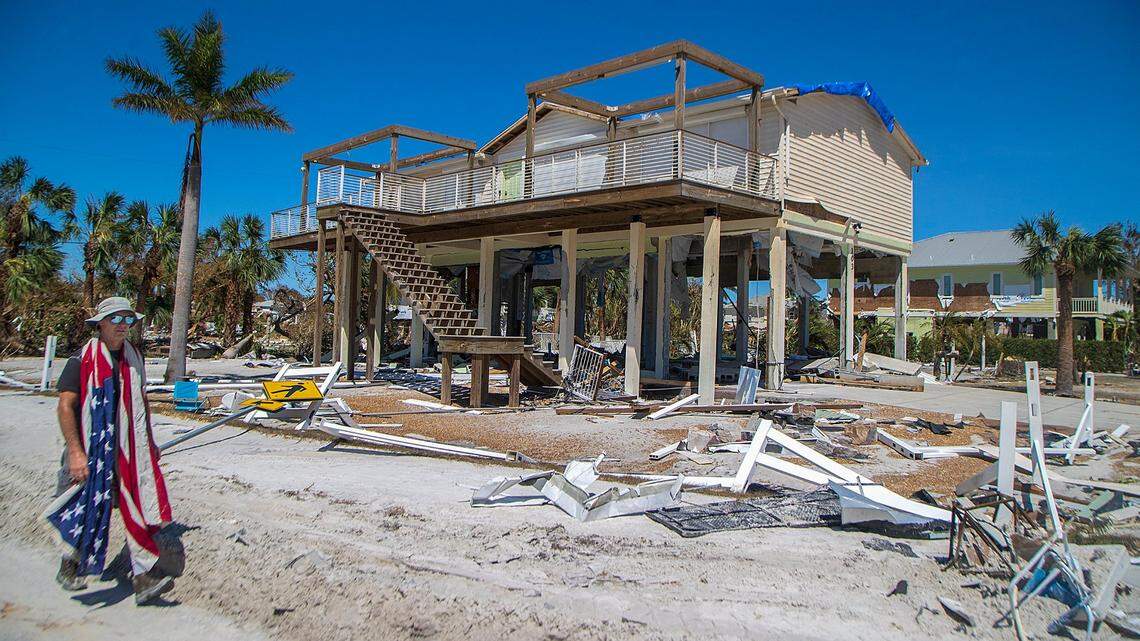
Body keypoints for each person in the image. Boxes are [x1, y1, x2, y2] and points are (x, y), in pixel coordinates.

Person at [47, 296, 175, 605]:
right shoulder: (81, 360)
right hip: (89, 447)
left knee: (137, 504)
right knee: (83, 503)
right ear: (101, 324)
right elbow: (66, 405)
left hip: (126, 448)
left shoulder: (133, 359)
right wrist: (76, 452)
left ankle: (143, 577)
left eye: (128, 320)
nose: (122, 326)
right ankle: (71, 563)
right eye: (115, 319)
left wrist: (149, 441)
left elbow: (140, 400)